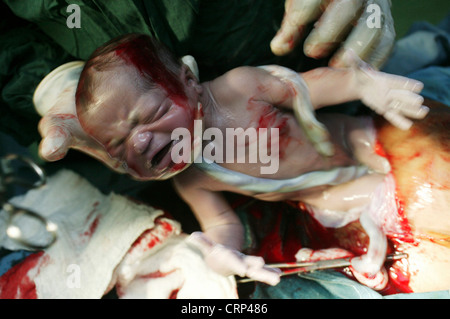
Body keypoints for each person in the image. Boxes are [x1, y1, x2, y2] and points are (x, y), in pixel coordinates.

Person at [70, 33, 428, 287]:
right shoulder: (192, 179)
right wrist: (222, 253)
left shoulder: (240, 88)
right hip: (329, 198)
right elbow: (222, 223)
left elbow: (310, 87)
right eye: (120, 146)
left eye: (152, 113)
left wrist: (362, 84)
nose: (142, 140)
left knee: (424, 160)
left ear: (190, 80)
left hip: (359, 142)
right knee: (392, 225)